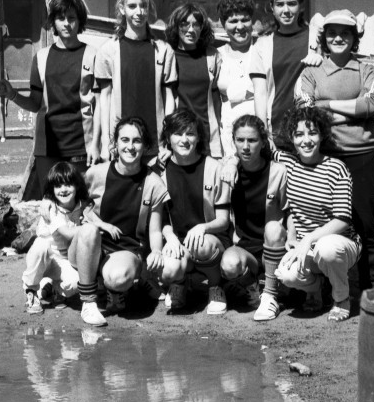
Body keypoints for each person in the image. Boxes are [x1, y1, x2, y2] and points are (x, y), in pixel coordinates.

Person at [294, 9, 374, 291]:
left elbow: (370, 104)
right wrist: (353, 111)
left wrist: (327, 105)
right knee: (322, 221)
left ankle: (371, 286)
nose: (338, 38)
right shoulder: (310, 72)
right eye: (332, 32)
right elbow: (304, 109)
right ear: (324, 37)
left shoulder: (368, 70)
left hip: (361, 154)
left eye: (345, 33)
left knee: (364, 221)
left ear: (355, 38)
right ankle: (320, 289)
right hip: (324, 156)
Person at [0, 0, 101, 200]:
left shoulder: (93, 55)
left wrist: (97, 144)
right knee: (51, 203)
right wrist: (12, 94)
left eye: (72, 18)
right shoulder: (41, 57)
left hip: (81, 143)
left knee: (81, 202)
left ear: (79, 21)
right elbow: (36, 104)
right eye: (61, 18)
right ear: (53, 21)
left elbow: (100, 104)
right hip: (48, 146)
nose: (66, 24)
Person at [274, 106, 360, 322]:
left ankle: (341, 298)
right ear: (291, 139)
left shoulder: (336, 169)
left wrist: (310, 238)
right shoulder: (287, 163)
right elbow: (255, 146)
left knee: (327, 248)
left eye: (312, 133)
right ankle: (315, 288)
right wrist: (293, 238)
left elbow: (342, 219)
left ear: (322, 135)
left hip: (340, 244)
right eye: (299, 134)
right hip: (305, 246)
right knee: (286, 274)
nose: (306, 140)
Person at [85, 117, 169, 315]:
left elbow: (155, 229)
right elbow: (74, 201)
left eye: (137, 141)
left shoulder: (153, 183)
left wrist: (156, 251)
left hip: (125, 250)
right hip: (91, 246)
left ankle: (122, 285)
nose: (130, 146)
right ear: (115, 143)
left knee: (118, 278)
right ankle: (90, 290)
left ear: (145, 145)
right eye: (124, 140)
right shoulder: (95, 174)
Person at [153, 110, 231, 315]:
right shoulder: (160, 171)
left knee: (201, 244)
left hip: (210, 239)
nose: (184, 140)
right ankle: (180, 284)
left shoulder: (214, 168)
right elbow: (159, 219)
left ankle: (215, 287)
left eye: (190, 134)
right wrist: (169, 237)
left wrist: (202, 227)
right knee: (169, 267)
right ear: (168, 139)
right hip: (177, 241)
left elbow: (223, 221)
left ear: (198, 138)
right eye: (178, 134)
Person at [219, 115, 289, 321]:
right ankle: (251, 285)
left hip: (272, 248)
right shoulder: (227, 171)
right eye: (240, 140)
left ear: (263, 142)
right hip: (244, 248)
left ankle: (270, 295)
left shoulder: (278, 171)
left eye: (252, 140)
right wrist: (231, 163)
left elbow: (288, 211)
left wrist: (293, 240)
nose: (246, 146)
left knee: (273, 228)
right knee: (229, 264)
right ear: (234, 142)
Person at [95, 0, 176, 160]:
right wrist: (106, 143)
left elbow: (169, 97)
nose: (138, 12)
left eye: (143, 6)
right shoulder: (109, 50)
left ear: (149, 9)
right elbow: (105, 98)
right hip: (120, 148)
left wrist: (167, 141)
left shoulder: (163, 50)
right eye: (132, 6)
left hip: (156, 148)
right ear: (122, 9)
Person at [21, 162, 107, 326]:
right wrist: (92, 229)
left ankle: (53, 288)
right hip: (45, 255)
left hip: (63, 259)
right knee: (40, 246)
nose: (63, 189)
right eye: (58, 186)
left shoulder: (82, 205)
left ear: (76, 185)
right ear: (52, 189)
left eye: (68, 184)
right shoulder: (52, 208)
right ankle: (31, 289)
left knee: (76, 283)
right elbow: (67, 233)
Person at [248, 0, 323, 136]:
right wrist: (263, 131)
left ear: (301, 6)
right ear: (272, 8)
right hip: (277, 129)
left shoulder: (317, 37)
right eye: (280, 4)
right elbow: (260, 93)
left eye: (292, 3)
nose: (286, 10)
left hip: (313, 128)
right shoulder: (262, 46)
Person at [164, 3, 223, 157]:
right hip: (178, 136)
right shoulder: (168, 56)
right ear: (176, 27)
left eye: (196, 24)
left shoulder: (212, 56)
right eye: (184, 24)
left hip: (206, 137)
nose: (190, 30)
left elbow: (217, 99)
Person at [215, 0, 258, 156]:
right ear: (223, 24)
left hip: (259, 139)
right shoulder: (216, 56)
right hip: (228, 140)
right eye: (233, 21)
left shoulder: (263, 51)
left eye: (245, 19)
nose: (240, 27)